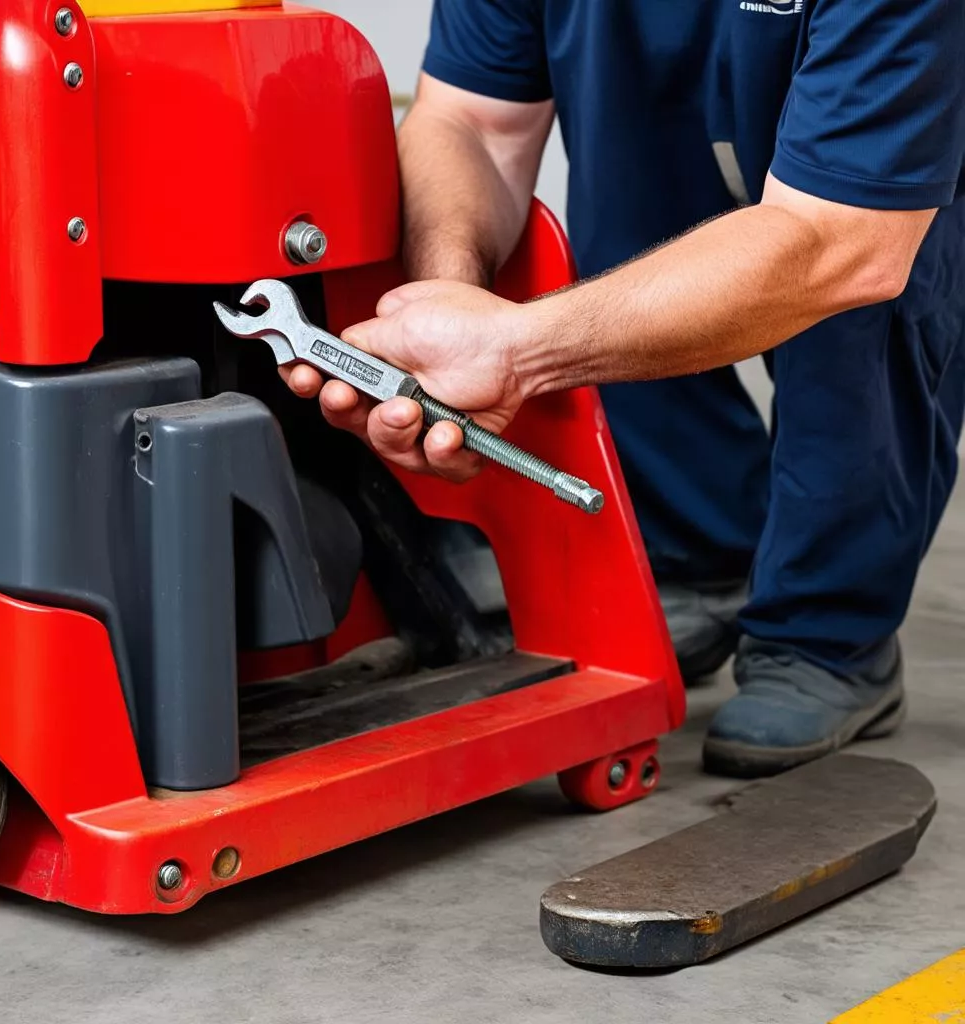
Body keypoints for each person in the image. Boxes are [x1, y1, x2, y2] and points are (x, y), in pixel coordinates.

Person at [284, 1, 965, 778]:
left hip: (878, 167)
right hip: (685, 122)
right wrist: (449, 300)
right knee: (626, 235)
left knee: (860, 308)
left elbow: (845, 244)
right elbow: (470, 122)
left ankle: (831, 635)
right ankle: (698, 558)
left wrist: (516, 350)